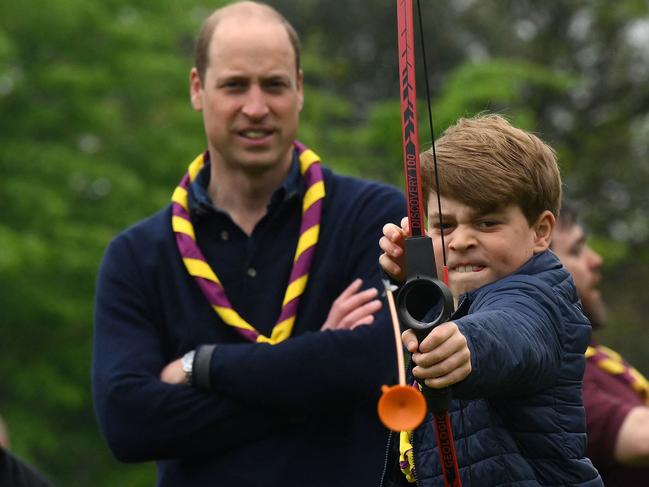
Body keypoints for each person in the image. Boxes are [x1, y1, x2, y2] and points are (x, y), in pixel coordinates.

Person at [91, 2, 406, 486]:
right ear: (198, 88)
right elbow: (128, 423)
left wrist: (204, 365)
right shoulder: (137, 255)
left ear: (300, 88)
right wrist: (317, 366)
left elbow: (377, 364)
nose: (256, 108)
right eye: (235, 85)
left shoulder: (374, 217)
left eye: (274, 84)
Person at [378, 114, 602, 486]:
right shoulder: (455, 296)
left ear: (540, 231)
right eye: (444, 226)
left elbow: (514, 331)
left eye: (487, 223)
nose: (461, 240)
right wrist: (410, 281)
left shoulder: (539, 294)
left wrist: (469, 345)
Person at [551, 201, 649, 485]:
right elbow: (643, 439)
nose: (596, 260)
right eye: (576, 250)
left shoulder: (594, 358)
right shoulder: (553, 367)